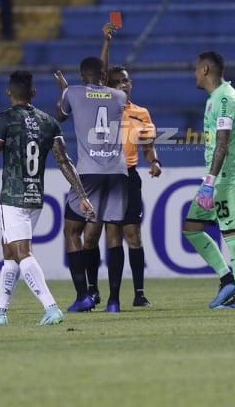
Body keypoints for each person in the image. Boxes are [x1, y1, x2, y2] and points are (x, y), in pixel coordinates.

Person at [0, 71, 95, 326]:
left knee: (21, 253)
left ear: (9, 92)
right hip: (34, 196)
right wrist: (82, 195)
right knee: (9, 253)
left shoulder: (5, 120)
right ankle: (0, 311)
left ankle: (51, 307)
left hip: (13, 195)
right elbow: (64, 161)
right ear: (34, 93)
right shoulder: (49, 121)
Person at [81, 24, 162, 308]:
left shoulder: (141, 113)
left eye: (128, 81)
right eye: (120, 82)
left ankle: (138, 293)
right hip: (102, 176)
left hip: (128, 176)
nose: (126, 84)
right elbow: (99, 76)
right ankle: (97, 291)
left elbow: (149, 147)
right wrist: (105, 42)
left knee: (132, 235)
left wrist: (154, 162)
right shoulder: (103, 106)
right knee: (98, 235)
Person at [54, 56, 128, 313]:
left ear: (81, 74)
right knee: (114, 234)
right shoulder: (119, 97)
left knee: (72, 231)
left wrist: (63, 89)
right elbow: (102, 96)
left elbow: (59, 117)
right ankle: (114, 301)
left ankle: (83, 295)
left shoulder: (72, 92)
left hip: (89, 172)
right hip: (118, 171)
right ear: (103, 75)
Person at [183, 52, 235, 309]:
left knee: (231, 233)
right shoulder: (216, 97)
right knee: (192, 228)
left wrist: (209, 182)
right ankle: (227, 279)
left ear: (204, 70)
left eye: (195, 69)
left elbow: (222, 144)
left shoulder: (225, 98)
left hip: (227, 178)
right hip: (216, 178)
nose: (193, 74)